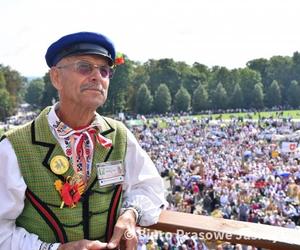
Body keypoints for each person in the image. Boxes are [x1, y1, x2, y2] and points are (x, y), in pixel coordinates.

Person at [0, 31, 167, 250]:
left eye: (105, 71)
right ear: (56, 77)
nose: (98, 77)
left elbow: (149, 187)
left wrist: (131, 213)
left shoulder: (119, 135)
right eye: (84, 67)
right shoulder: (14, 146)